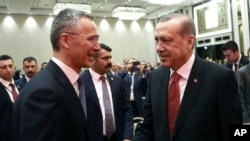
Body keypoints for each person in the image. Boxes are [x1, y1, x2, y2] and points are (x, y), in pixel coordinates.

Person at [132, 13, 242, 141]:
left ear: (189, 42)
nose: (158, 48)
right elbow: (147, 127)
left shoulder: (220, 77)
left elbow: (234, 131)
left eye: (166, 40)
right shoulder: (156, 77)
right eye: (157, 40)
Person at [13, 8, 101, 141]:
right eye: (91, 39)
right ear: (65, 40)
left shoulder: (70, 82)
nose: (97, 47)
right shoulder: (45, 93)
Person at [80, 43, 133, 141]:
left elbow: (127, 109)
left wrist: (127, 136)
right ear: (92, 60)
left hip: (118, 137)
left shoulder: (117, 81)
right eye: (105, 58)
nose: (110, 62)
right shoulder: (80, 83)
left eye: (110, 57)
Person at [0, 55, 19, 141]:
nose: (8, 70)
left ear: (14, 67)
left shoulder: (22, 86)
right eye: (3, 67)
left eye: (10, 66)